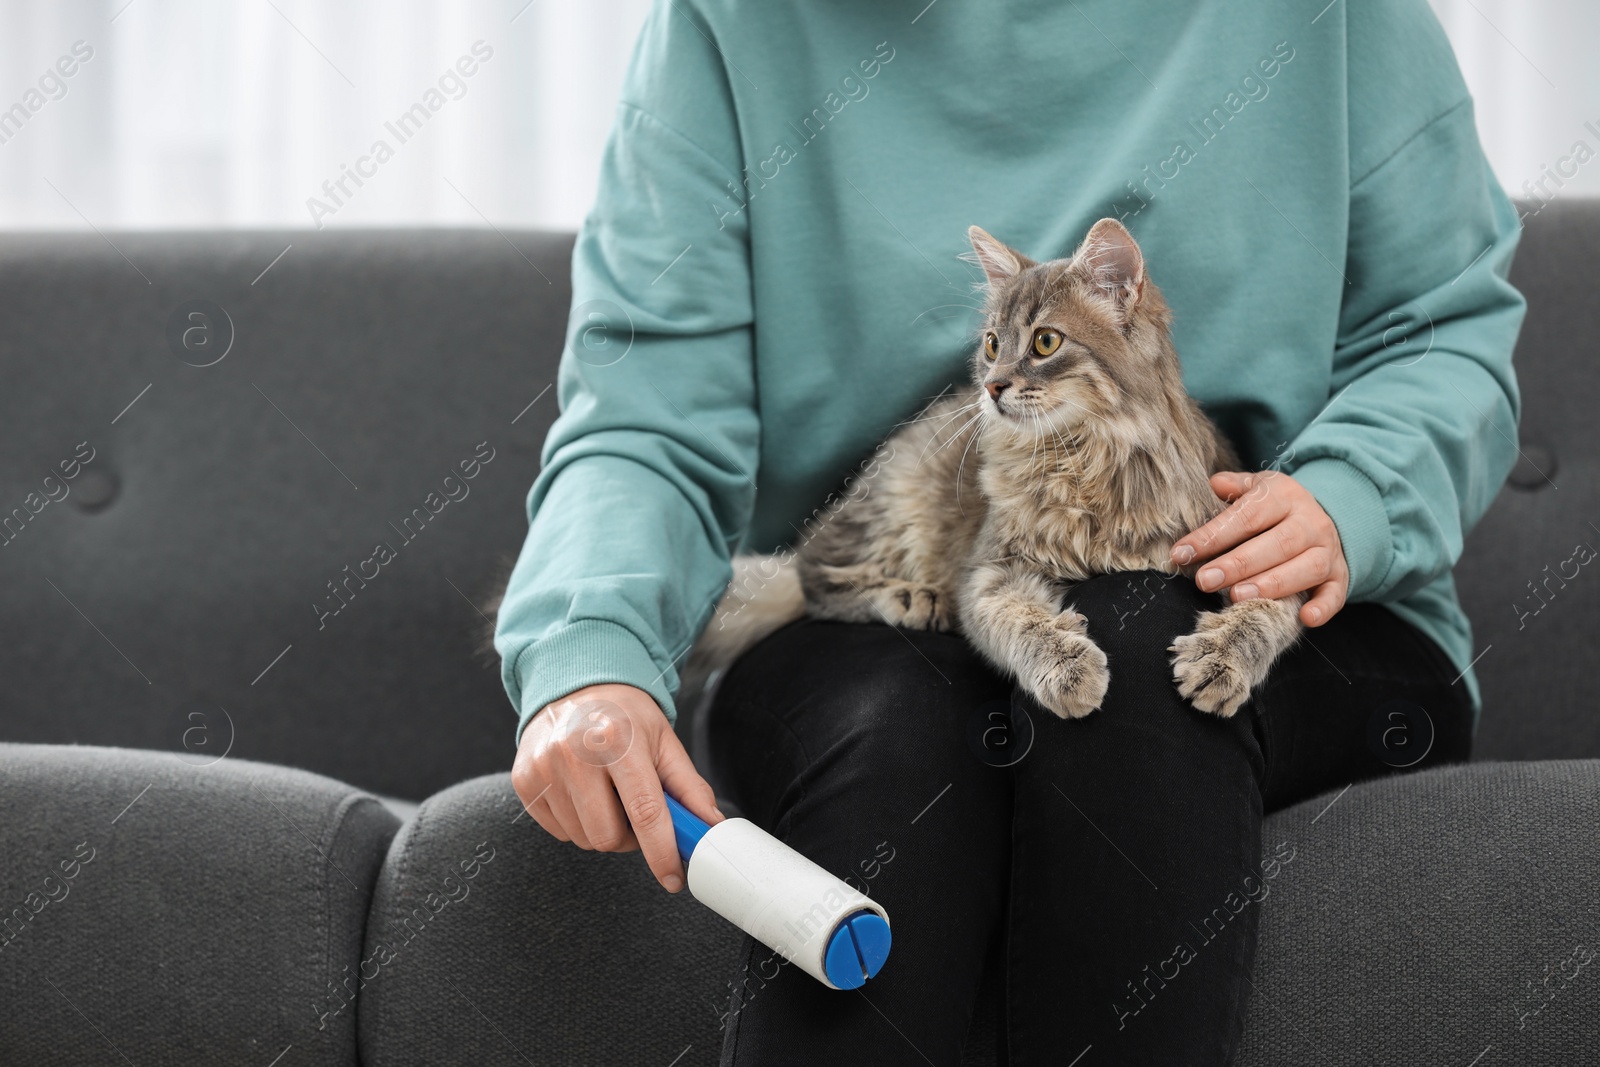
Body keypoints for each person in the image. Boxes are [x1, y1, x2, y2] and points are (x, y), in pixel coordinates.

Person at [494, 1, 1526, 1062]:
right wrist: (589, 653)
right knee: (900, 723)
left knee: (1136, 660)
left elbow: (1441, 331)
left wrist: (1350, 493)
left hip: (1289, 603)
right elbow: (644, 416)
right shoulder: (723, 25)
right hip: (876, 628)